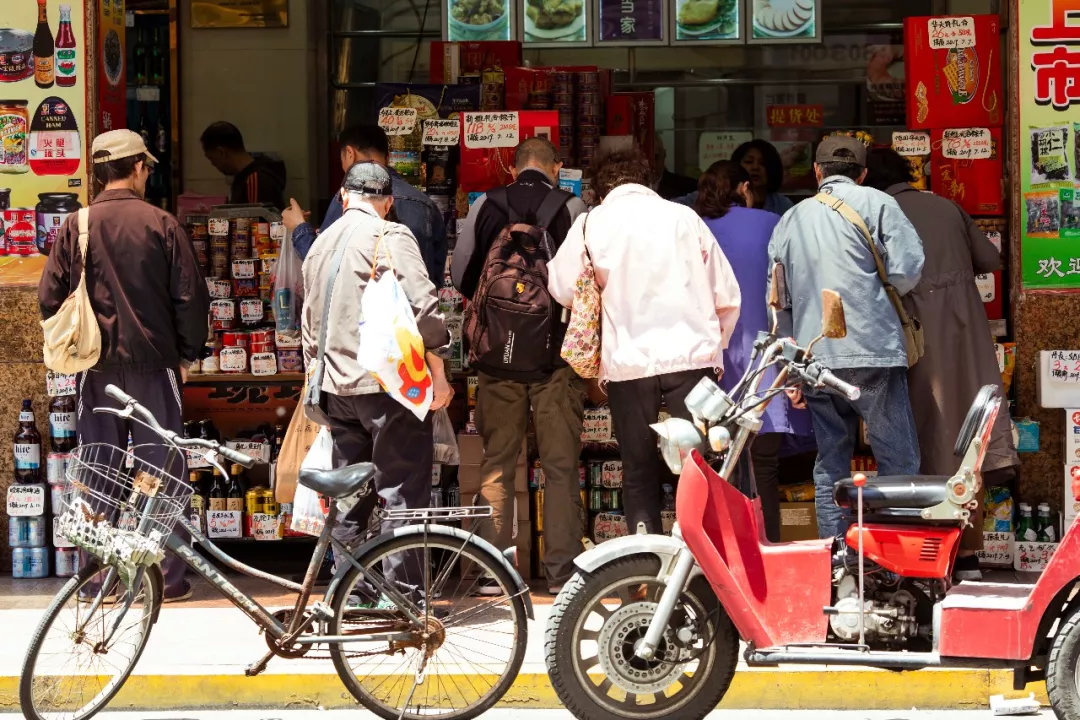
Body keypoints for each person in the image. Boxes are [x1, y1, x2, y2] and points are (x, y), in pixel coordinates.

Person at [39, 129, 210, 602]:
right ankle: (167, 581)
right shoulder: (162, 223)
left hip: (96, 371)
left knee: (99, 470)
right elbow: (190, 299)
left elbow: (49, 298)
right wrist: (190, 353)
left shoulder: (75, 226)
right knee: (165, 472)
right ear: (136, 167)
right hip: (156, 368)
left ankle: (101, 578)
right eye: (147, 167)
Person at [548, 147, 741, 535]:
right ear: (647, 181)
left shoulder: (592, 223)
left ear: (600, 190)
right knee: (699, 466)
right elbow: (726, 295)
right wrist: (714, 347)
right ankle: (703, 563)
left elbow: (562, 286)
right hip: (692, 360)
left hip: (628, 362)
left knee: (637, 467)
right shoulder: (684, 218)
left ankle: (645, 565)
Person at [865, 147, 1019, 580]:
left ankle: (929, 553)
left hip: (914, 337)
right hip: (966, 330)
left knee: (924, 434)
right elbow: (991, 260)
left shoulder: (877, 211)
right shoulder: (946, 206)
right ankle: (969, 552)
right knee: (971, 435)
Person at [301, 162, 452, 588]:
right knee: (401, 491)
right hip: (387, 388)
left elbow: (308, 323)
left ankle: (354, 593)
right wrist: (439, 374)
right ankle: (402, 596)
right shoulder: (392, 235)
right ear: (387, 203)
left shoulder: (320, 243)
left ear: (344, 197)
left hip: (335, 389)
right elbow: (425, 309)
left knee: (351, 498)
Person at [767, 135, 925, 542]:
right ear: (864, 173)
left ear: (817, 172)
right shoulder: (879, 204)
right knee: (897, 457)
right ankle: (895, 557)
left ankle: (833, 556)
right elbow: (908, 271)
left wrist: (791, 361)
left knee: (830, 461)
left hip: (816, 354)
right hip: (873, 348)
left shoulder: (790, 219)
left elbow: (778, 299)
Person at [451, 137, 588, 595]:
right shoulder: (572, 207)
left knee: (497, 463)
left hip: (498, 360)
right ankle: (562, 574)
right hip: (555, 360)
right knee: (561, 467)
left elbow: (460, 276)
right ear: (557, 166)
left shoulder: (485, 205)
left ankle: (494, 574)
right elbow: (583, 282)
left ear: (512, 169)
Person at [694, 160, 812, 542]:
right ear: (744, 188)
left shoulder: (695, 228)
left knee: (718, 468)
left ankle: (725, 555)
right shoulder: (769, 223)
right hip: (765, 358)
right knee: (764, 465)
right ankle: (769, 548)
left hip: (713, 363)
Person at [283, 125, 447, 285]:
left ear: (349, 153)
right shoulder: (425, 204)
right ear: (388, 157)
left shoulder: (346, 199)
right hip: (413, 310)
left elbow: (321, 264)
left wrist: (299, 226)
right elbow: (435, 277)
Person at [677, 140, 794, 216]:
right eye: (749, 162)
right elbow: (674, 207)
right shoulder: (714, 194)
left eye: (762, 163)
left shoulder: (782, 205)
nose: (755, 167)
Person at [199, 121, 287, 209]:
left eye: (211, 158)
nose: (213, 164)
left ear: (221, 152)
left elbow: (258, 220)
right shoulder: (243, 177)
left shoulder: (255, 179)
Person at [652, 133, 699, 200]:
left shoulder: (688, 187)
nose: (651, 163)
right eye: (645, 158)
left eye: (656, 157)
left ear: (664, 155)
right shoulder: (633, 187)